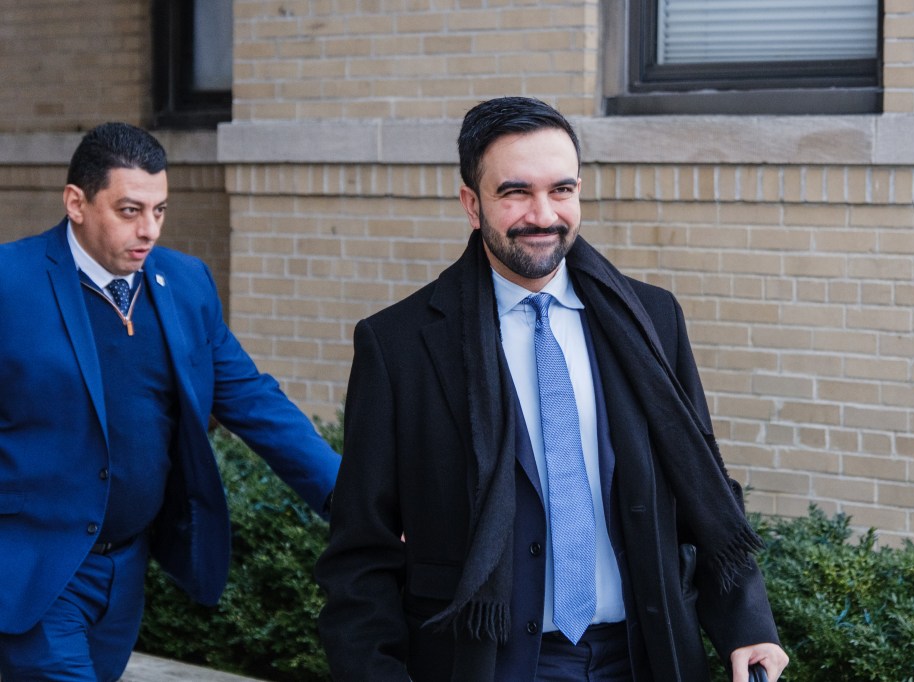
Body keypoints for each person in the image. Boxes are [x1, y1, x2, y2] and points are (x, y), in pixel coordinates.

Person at [316, 96, 788, 681]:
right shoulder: (398, 346)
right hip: (488, 663)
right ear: (472, 203)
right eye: (515, 192)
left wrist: (748, 628)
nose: (543, 214)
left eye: (561, 190)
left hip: (644, 657)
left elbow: (704, 485)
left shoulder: (653, 318)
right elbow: (361, 555)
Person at [0, 122, 341, 681]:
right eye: (130, 210)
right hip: (32, 571)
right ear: (76, 203)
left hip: (126, 570)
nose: (149, 228)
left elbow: (253, 400)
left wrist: (346, 496)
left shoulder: (184, 284)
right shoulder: (10, 283)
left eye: (159, 210)